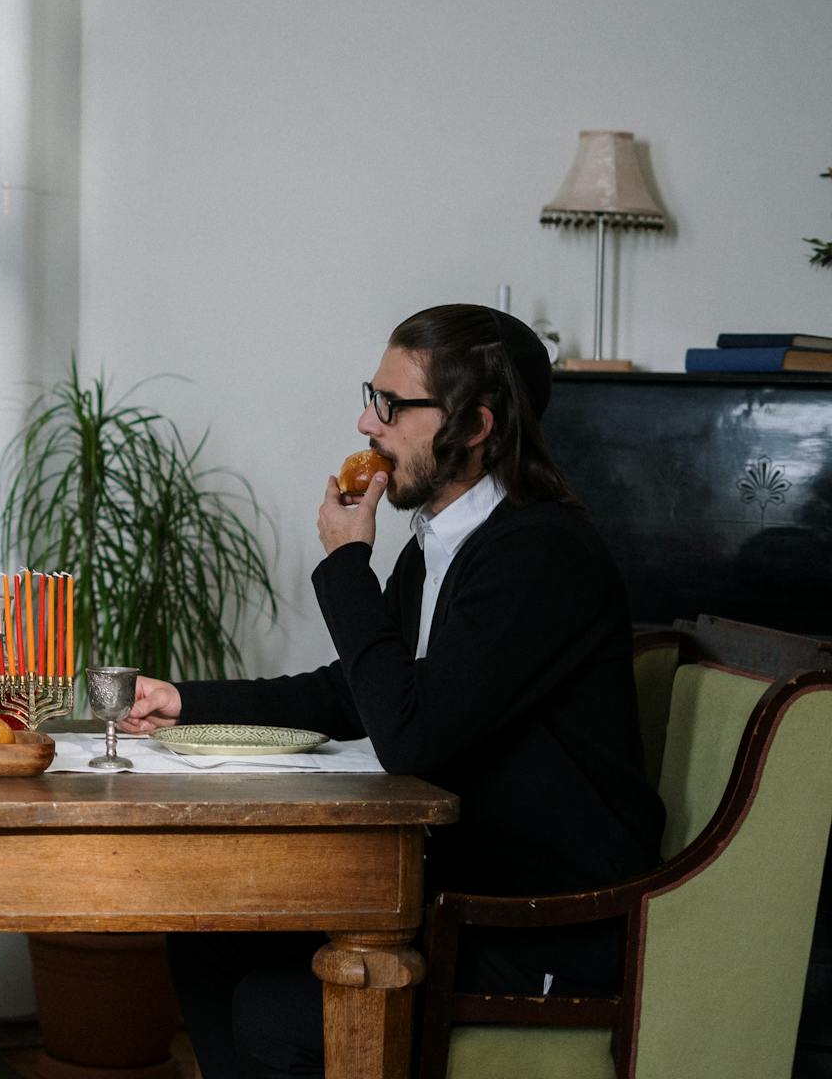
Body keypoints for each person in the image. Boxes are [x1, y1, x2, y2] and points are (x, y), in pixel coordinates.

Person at [117, 304, 664, 1079]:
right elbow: (355, 695)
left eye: (393, 406)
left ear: (475, 426)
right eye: (371, 397)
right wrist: (189, 702)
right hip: (458, 892)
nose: (366, 423)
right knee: (207, 932)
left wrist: (347, 565)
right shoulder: (444, 544)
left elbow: (411, 737)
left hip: (541, 925)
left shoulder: (538, 556)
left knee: (273, 1013)